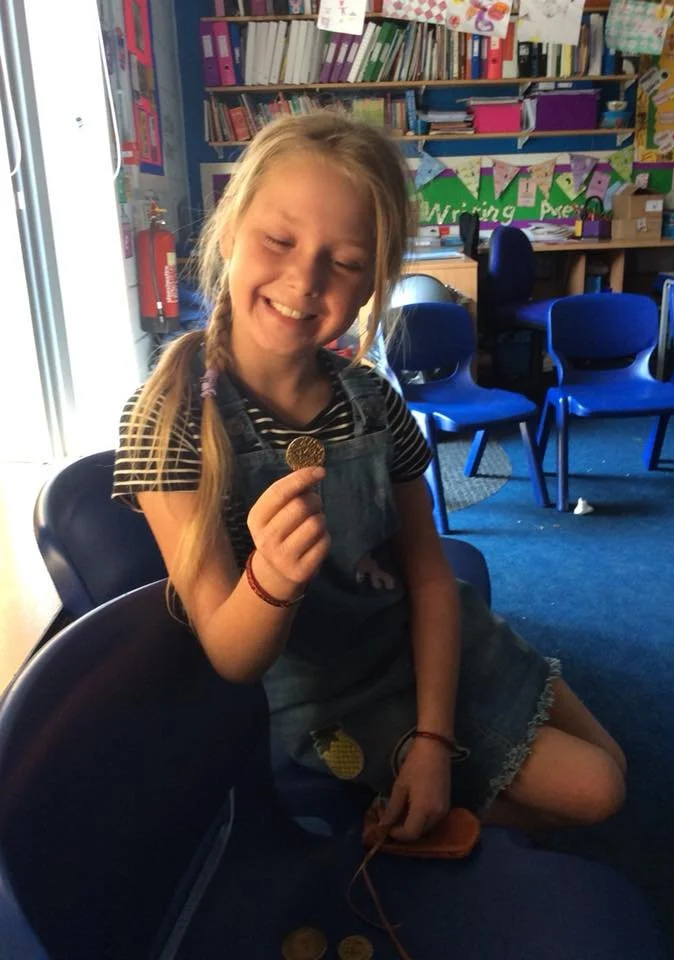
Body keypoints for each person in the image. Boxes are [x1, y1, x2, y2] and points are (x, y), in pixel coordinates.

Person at [113, 112, 626, 841]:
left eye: (345, 261)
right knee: (597, 791)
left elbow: (428, 574)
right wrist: (271, 580)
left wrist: (433, 737)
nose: (304, 279)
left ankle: (428, 787)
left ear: (374, 285)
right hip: (332, 700)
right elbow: (231, 654)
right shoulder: (169, 418)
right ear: (230, 230)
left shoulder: (371, 398)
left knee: (611, 764)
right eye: (279, 241)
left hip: (422, 637)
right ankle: (390, 801)